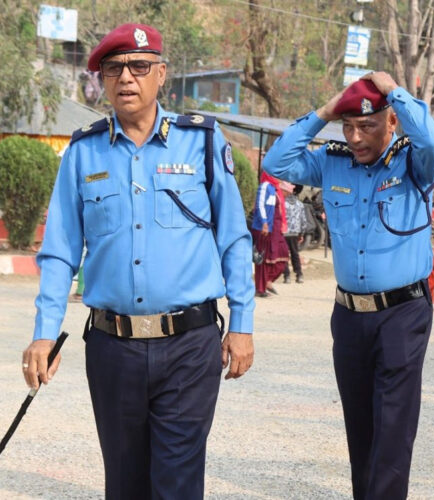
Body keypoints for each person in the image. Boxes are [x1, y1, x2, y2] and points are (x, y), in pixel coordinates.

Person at [20, 24, 255, 499]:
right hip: (113, 348)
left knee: (177, 483)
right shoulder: (83, 152)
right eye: (114, 68)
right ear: (102, 79)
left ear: (161, 74)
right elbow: (61, 251)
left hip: (190, 345)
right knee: (124, 483)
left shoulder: (202, 142)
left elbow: (233, 238)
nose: (126, 77)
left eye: (139, 66)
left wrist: (243, 324)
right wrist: (45, 332)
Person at [262, 72, 434, 500]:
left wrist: (394, 91)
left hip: (402, 314)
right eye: (347, 127)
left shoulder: (414, 163)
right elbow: (276, 164)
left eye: (367, 126)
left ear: (392, 121)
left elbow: (433, 142)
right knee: (359, 430)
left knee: (392, 431)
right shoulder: (332, 161)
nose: (356, 138)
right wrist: (324, 113)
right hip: (348, 315)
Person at [252, 173, 289, 296]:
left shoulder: (273, 188)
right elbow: (260, 205)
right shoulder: (265, 186)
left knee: (280, 253)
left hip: (271, 228)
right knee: (261, 258)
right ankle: (260, 288)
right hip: (263, 227)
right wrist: (264, 223)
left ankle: (266, 282)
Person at [282, 182, 305, 284]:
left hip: (283, 232)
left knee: (284, 254)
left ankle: (287, 276)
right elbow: (303, 220)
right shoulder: (300, 204)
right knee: (295, 253)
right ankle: (299, 274)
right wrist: (302, 233)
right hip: (295, 233)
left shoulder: (282, 202)